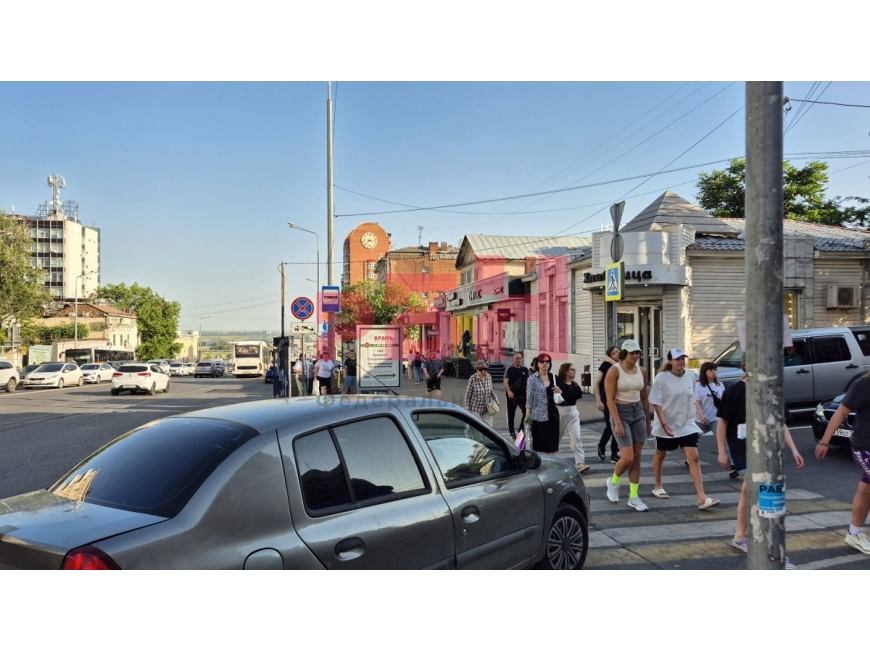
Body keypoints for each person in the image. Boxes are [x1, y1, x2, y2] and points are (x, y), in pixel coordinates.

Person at [721, 415, 804, 568]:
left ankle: (740, 537)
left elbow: (780, 421)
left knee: (748, 492)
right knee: (764, 496)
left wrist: (794, 450)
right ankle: (773, 552)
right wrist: (722, 451)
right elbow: (723, 420)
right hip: (743, 453)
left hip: (768, 452)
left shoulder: (774, 397)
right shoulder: (734, 398)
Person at [649, 349, 720, 509]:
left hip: (686, 423)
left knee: (693, 457)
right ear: (670, 361)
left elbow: (692, 399)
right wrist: (664, 423)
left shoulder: (690, 376)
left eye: (683, 358)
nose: (681, 361)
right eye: (677, 359)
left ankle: (702, 497)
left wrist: (694, 417)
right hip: (666, 423)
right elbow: (656, 402)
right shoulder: (661, 377)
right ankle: (658, 486)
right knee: (660, 454)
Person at [815, 372, 870, 555]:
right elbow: (841, 412)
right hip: (865, 447)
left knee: (866, 490)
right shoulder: (863, 384)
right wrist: (824, 442)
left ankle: (854, 534)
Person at [604, 339, 652, 512]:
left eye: (638, 353)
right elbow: (609, 399)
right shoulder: (614, 371)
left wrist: (648, 420)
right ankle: (613, 481)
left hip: (637, 412)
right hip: (620, 412)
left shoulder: (642, 371)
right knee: (628, 457)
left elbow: (644, 397)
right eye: (632, 353)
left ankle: (633, 496)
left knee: (637, 457)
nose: (635, 356)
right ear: (624, 354)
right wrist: (617, 422)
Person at [695, 361, 737, 477]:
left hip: (716, 418)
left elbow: (724, 401)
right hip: (701, 419)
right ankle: (690, 459)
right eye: (710, 370)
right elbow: (697, 403)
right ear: (704, 372)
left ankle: (731, 466)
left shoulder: (720, 385)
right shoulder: (699, 386)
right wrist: (701, 416)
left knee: (723, 441)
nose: (713, 372)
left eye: (715, 370)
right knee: (693, 440)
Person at [524, 352, 562, 455]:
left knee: (552, 445)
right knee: (538, 445)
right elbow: (529, 398)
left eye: (547, 362)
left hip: (552, 415)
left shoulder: (554, 377)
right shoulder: (532, 379)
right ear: (537, 364)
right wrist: (527, 416)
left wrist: (559, 390)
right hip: (538, 416)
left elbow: (562, 393)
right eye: (542, 361)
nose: (545, 363)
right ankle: (539, 463)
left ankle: (551, 462)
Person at [557, 362, 588, 473]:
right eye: (572, 369)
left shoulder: (575, 385)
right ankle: (549, 460)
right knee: (556, 439)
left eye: (574, 369)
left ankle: (580, 463)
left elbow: (578, 395)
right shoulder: (559, 385)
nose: (574, 371)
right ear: (565, 371)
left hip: (573, 412)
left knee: (576, 438)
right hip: (560, 412)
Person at [595, 346, 621, 464]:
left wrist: (611, 360)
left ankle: (614, 454)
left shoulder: (621, 365)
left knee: (618, 425)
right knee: (611, 425)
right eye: (614, 352)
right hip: (607, 399)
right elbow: (597, 383)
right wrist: (598, 400)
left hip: (619, 399)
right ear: (610, 355)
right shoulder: (605, 365)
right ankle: (601, 445)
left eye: (618, 351)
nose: (617, 353)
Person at [503, 352, 529, 439]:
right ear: (513, 359)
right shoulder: (509, 369)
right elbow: (505, 382)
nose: (519, 360)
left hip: (523, 396)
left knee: (526, 412)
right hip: (512, 396)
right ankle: (512, 432)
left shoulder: (525, 369)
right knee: (511, 414)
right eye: (517, 358)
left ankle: (521, 430)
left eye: (520, 358)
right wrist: (509, 391)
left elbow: (528, 382)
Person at [465, 360, 499, 426]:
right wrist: (468, 408)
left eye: (485, 369)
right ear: (477, 370)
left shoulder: (489, 377)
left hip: (487, 408)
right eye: (481, 370)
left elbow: (491, 391)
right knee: (478, 428)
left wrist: (496, 400)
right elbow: (468, 395)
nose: (483, 371)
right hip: (476, 409)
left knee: (488, 428)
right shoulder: (472, 379)